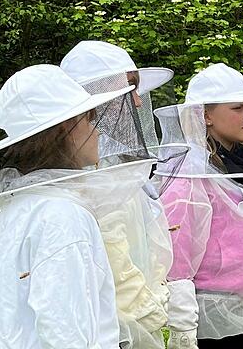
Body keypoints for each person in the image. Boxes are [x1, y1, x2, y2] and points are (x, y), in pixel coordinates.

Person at [0, 64, 140, 348]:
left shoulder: (22, 205)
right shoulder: (62, 216)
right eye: (88, 120)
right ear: (65, 131)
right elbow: (64, 332)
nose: (96, 131)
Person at [155, 63, 243, 349]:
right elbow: (177, 254)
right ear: (206, 115)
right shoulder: (188, 176)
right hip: (209, 314)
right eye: (238, 108)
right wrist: (183, 323)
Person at [61, 41, 176, 349]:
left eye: (138, 90)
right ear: (94, 95)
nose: (138, 102)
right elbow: (109, 265)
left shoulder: (122, 163)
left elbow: (145, 245)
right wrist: (150, 311)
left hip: (141, 324)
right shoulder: (80, 174)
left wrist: (159, 299)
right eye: (128, 89)